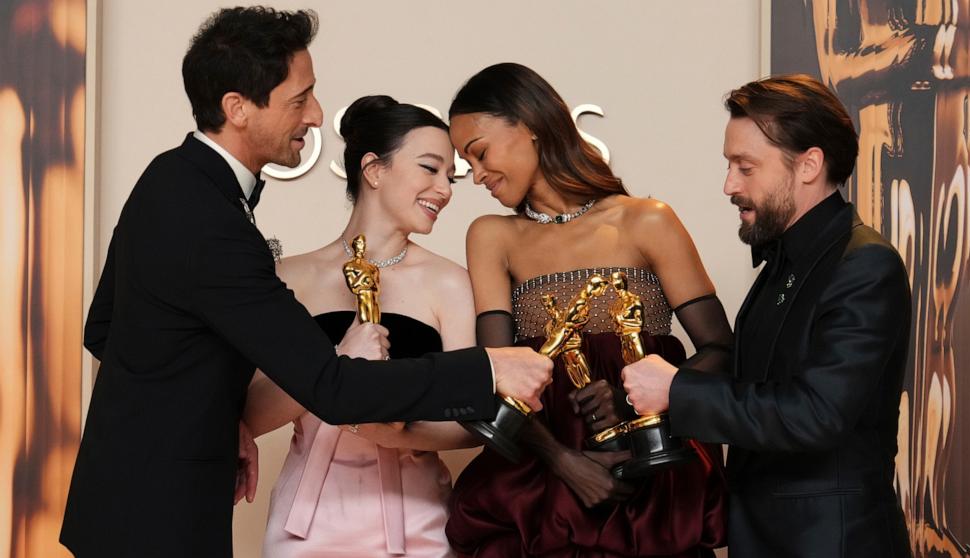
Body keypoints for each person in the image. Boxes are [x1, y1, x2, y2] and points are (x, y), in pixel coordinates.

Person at [59, 10, 551, 558]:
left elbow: (103, 330)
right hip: (159, 519)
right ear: (237, 109)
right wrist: (489, 368)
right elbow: (334, 388)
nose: (316, 115)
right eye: (300, 99)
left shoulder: (169, 178)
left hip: (125, 507)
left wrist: (223, 423)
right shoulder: (213, 220)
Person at [445, 62, 731, 558]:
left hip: (650, 479)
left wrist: (639, 402)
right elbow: (497, 377)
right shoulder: (492, 236)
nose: (477, 175)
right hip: (540, 486)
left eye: (479, 153)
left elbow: (721, 350)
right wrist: (563, 461)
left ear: (530, 124)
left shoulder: (647, 220)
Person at [620, 74, 912, 557]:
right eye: (729, 164)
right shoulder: (781, 264)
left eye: (746, 167)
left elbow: (817, 414)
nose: (729, 184)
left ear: (809, 165)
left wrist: (676, 390)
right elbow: (752, 391)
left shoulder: (865, 265)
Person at [243, 95, 478, 557]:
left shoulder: (450, 282)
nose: (445, 189)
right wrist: (337, 369)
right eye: (430, 169)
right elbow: (248, 415)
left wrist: (394, 433)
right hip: (305, 524)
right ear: (374, 169)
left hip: (417, 518)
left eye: (450, 177)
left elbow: (471, 421)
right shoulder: (288, 277)